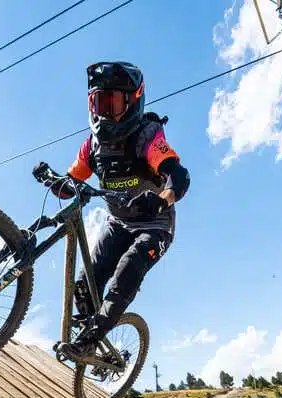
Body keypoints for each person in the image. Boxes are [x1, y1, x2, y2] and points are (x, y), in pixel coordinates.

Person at [38, 60, 190, 362]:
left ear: (134, 101)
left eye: (112, 104)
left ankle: (91, 340)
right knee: (84, 285)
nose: (104, 112)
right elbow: (71, 184)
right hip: (118, 223)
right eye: (98, 103)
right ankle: (94, 335)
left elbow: (180, 176)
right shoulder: (92, 146)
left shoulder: (148, 137)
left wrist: (162, 199)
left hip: (154, 224)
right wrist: (52, 181)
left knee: (127, 271)